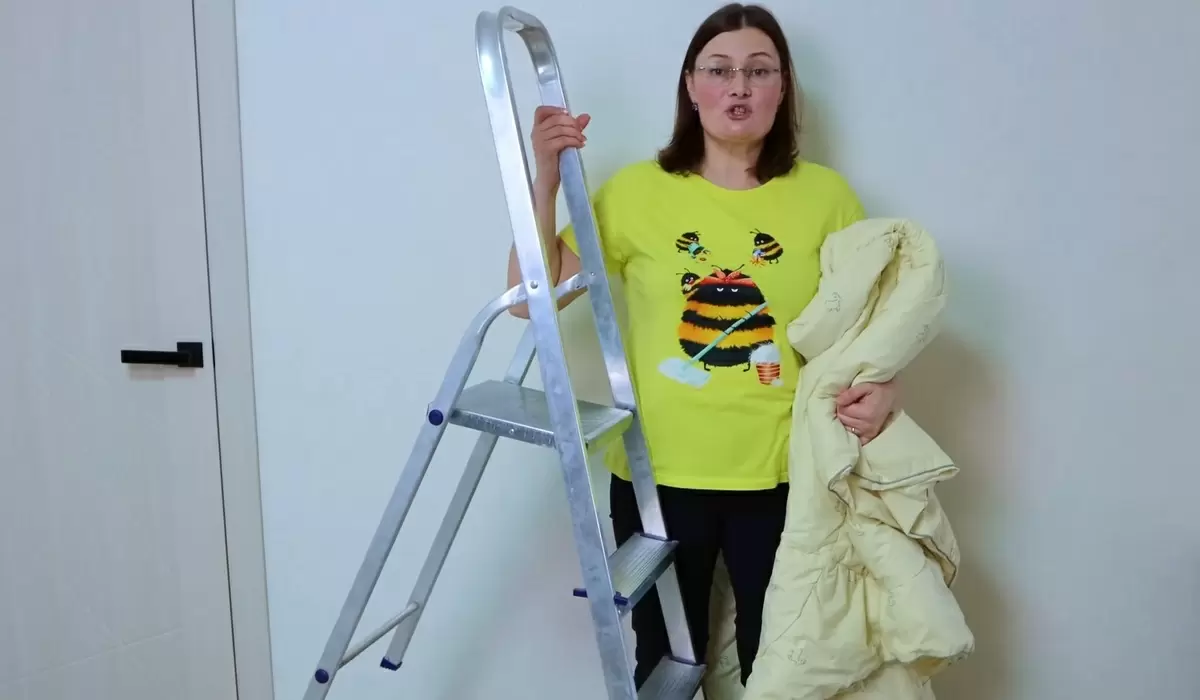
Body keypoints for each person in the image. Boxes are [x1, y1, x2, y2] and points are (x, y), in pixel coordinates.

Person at [504, 2, 898, 688]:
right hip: (657, 477)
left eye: (759, 70)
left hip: (786, 474)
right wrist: (545, 177)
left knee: (784, 669)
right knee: (666, 667)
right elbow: (526, 298)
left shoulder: (828, 199)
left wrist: (886, 387)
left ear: (783, 87)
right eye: (719, 70)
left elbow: (867, 323)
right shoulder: (637, 192)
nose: (738, 86)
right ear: (690, 86)